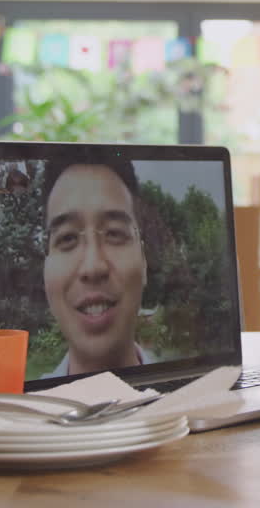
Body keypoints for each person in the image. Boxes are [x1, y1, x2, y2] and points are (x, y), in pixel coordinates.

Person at [39, 157, 153, 378]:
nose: (93, 267)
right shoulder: (27, 408)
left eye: (114, 233)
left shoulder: (198, 394)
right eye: (68, 237)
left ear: (144, 262)